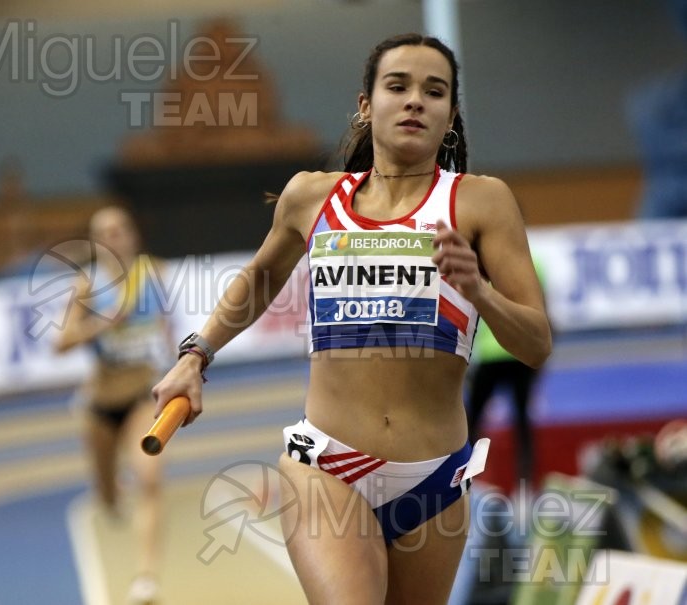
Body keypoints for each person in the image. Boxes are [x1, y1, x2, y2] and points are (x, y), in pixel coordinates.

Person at [152, 33, 551, 604]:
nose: (415, 100)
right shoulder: (312, 197)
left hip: (433, 479)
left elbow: (536, 342)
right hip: (328, 467)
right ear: (365, 105)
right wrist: (195, 355)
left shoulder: (481, 202)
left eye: (434, 91)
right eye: (398, 86)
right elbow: (262, 278)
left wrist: (478, 293)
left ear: (451, 115)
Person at [55, 204, 170, 605]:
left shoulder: (154, 272)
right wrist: (105, 323)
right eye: (104, 231)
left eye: (120, 228)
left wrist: (177, 368)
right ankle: (109, 490)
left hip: (142, 396)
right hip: (100, 407)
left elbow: (167, 325)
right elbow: (61, 344)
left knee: (150, 480)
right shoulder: (87, 285)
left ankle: (146, 578)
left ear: (133, 234)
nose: (114, 236)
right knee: (108, 499)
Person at [466, 260, 546, 488]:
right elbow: (543, 313)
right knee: (522, 421)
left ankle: (469, 479)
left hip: (493, 356)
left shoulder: (479, 262)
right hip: (518, 354)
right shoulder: (533, 263)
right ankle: (526, 482)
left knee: (473, 422)